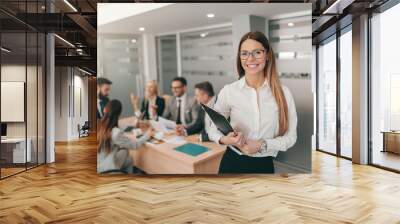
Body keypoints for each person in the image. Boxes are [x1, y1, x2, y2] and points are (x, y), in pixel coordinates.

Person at [208, 31, 297, 174]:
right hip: (232, 163)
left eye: (257, 52)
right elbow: (213, 129)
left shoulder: (283, 93)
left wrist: (263, 144)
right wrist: (226, 140)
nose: (250, 58)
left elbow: (290, 138)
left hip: (265, 165)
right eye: (244, 53)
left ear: (267, 55)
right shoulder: (229, 91)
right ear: (240, 57)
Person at [97, 99, 154, 174]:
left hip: (99, 165)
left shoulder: (100, 125)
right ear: (119, 114)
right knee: (126, 152)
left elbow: (121, 127)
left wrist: (133, 124)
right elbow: (135, 145)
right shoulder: (116, 133)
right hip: (108, 168)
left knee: (128, 158)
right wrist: (147, 135)